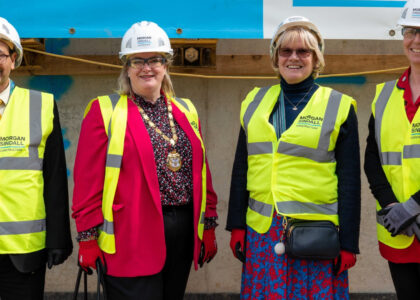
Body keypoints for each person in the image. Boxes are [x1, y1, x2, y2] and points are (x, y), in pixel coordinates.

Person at [72, 21, 218, 300]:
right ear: (126, 67)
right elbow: (87, 182)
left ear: (166, 65)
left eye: (155, 59)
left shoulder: (186, 109)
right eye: (137, 60)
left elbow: (201, 173)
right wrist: (87, 237)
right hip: (131, 235)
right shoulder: (104, 110)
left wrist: (208, 223)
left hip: (182, 232)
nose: (146, 67)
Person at [226, 16, 361, 299]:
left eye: (304, 51)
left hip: (315, 232)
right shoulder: (253, 102)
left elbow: (349, 182)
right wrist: (236, 225)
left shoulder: (339, 106)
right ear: (275, 57)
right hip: (262, 231)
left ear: (317, 58)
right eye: (286, 51)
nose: (294, 58)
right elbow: (242, 168)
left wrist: (348, 241)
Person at [0, 17, 72, 300]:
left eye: (0, 54)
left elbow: (54, 178)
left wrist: (58, 238)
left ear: (14, 59)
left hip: (25, 251)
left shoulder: (40, 104)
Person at [364, 0, 420, 298]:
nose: (417, 40)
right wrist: (393, 207)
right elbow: (372, 159)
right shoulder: (384, 95)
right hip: (398, 228)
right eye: (411, 31)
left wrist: (414, 205)